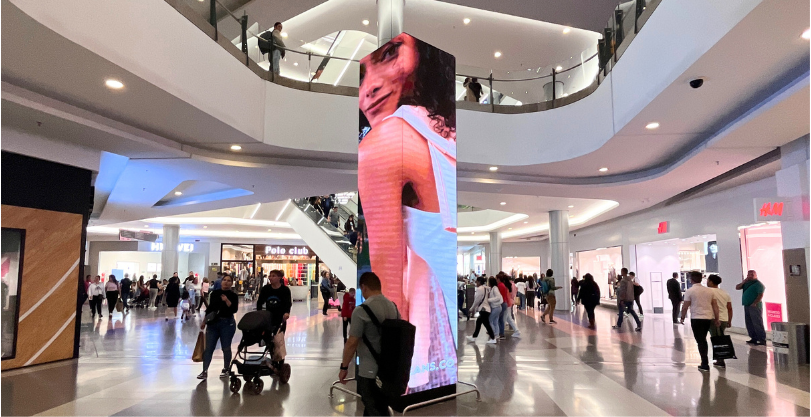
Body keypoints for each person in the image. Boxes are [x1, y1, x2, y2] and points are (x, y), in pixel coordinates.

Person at [358, 33, 458, 391]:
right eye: (361, 75)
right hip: (446, 336)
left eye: (388, 54)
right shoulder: (446, 133)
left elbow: (388, 286)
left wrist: (389, 365)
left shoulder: (384, 142)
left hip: (424, 330)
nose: (366, 90)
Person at [338, 272, 400, 416]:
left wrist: (344, 367)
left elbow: (352, 342)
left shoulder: (361, 310)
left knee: (373, 408)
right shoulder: (393, 307)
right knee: (378, 406)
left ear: (364, 287)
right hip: (389, 369)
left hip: (369, 371)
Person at [198, 275, 239, 380]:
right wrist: (204, 321)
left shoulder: (233, 295)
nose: (226, 282)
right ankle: (204, 370)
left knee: (226, 347)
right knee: (209, 348)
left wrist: (226, 300)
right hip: (213, 323)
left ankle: (226, 368)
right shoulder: (215, 293)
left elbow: (234, 310)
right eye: (224, 280)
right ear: (221, 282)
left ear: (232, 283)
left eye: (229, 281)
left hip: (227, 324)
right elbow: (210, 308)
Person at [680, 271, 720, 372]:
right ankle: (705, 362)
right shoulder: (709, 291)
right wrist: (717, 318)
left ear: (691, 280)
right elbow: (715, 305)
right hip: (707, 318)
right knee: (703, 340)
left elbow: (685, 306)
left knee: (700, 340)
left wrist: (682, 317)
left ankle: (705, 363)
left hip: (696, 318)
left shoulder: (690, 291)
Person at [256, 269, 292, 369]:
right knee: (268, 339)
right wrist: (259, 313)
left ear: (280, 278)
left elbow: (287, 303)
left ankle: (280, 361)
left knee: (278, 340)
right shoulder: (266, 289)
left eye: (273, 276)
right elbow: (260, 302)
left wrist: (286, 313)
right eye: (270, 276)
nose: (270, 278)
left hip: (280, 318)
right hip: (267, 318)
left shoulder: (284, 290)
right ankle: (273, 358)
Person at [707, 274, 733, 368]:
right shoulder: (725, 293)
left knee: (715, 338)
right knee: (720, 337)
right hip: (724, 318)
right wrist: (729, 320)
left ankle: (720, 359)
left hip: (714, 318)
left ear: (710, 281)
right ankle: (720, 358)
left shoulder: (709, 291)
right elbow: (729, 308)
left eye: (708, 280)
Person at [736, 270, 766, 345]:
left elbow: (760, 294)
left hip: (754, 306)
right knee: (749, 322)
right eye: (749, 274)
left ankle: (761, 338)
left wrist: (755, 302)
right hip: (747, 305)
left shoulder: (758, 284)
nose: (750, 276)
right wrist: (744, 282)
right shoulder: (747, 283)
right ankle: (753, 337)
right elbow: (737, 287)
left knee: (757, 322)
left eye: (752, 274)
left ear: (756, 275)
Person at [465, 277, 496, 344]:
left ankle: (493, 338)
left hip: (483, 309)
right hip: (486, 309)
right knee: (479, 322)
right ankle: (474, 337)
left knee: (486, 324)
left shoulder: (479, 289)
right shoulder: (485, 288)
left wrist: (471, 309)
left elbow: (477, 300)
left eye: (477, 281)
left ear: (479, 282)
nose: (476, 283)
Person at [487, 277, 503, 341]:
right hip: (497, 307)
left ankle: (493, 335)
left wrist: (489, 300)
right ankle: (497, 335)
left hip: (496, 307)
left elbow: (498, 297)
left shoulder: (495, 289)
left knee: (490, 321)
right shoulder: (493, 288)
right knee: (495, 322)